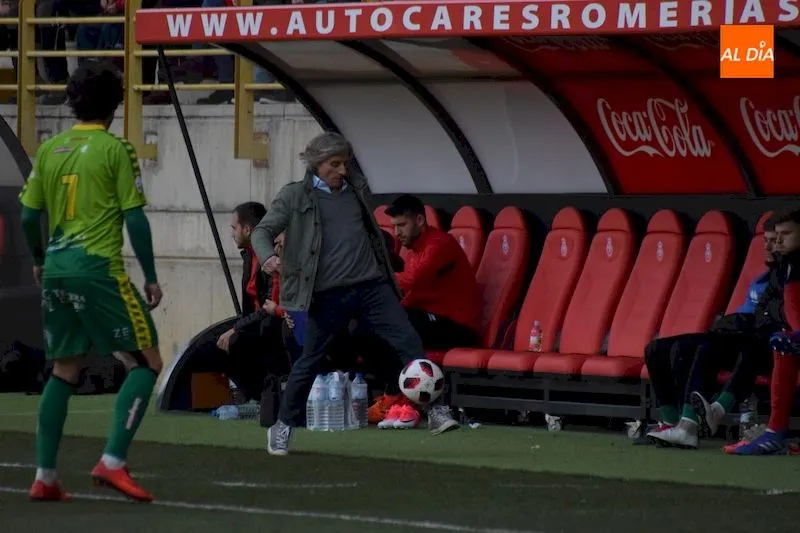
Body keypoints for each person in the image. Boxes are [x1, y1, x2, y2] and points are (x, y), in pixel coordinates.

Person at [251, 132, 460, 455]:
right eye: (335, 164)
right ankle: (283, 425)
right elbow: (262, 230)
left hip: (371, 287)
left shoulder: (356, 190)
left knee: (408, 339)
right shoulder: (295, 196)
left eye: (345, 163)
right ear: (317, 165)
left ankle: (436, 410)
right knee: (311, 359)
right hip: (327, 293)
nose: (342, 170)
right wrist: (268, 257)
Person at [19, 62, 162, 502]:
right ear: (117, 105)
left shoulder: (50, 148)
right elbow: (133, 216)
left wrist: (40, 260)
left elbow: (29, 215)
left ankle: (45, 476)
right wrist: (152, 276)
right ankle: (113, 461)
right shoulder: (116, 149)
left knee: (64, 370)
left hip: (58, 270)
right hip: (98, 270)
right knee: (148, 362)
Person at [645, 216, 785, 449]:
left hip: (765, 345)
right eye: (767, 241)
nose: (768, 247)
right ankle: (672, 423)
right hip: (739, 337)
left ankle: (695, 422)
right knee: (656, 349)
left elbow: (772, 320)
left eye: (777, 240)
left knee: (712, 348)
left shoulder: (788, 280)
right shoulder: (764, 279)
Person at [368, 194, 484, 428]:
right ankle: (395, 398)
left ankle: (401, 401)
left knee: (397, 324)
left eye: (402, 225)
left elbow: (410, 280)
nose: (397, 233)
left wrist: (371, 279)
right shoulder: (414, 250)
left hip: (458, 327)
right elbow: (411, 296)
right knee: (379, 324)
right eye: (394, 227)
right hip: (433, 320)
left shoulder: (438, 244)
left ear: (420, 220)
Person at [733, 210, 800, 455]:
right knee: (783, 341)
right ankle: (775, 432)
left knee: (786, 339)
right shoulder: (788, 265)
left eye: (786, 234)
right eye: (776, 236)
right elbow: (786, 308)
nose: (779, 241)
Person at [214, 202, 290, 401]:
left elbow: (269, 305)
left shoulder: (271, 257)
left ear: (247, 230)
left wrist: (238, 328)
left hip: (274, 320)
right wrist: (238, 326)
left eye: (234, 228)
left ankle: (262, 397)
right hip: (256, 321)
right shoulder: (249, 256)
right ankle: (253, 395)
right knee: (219, 342)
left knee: (255, 333)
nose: (232, 234)